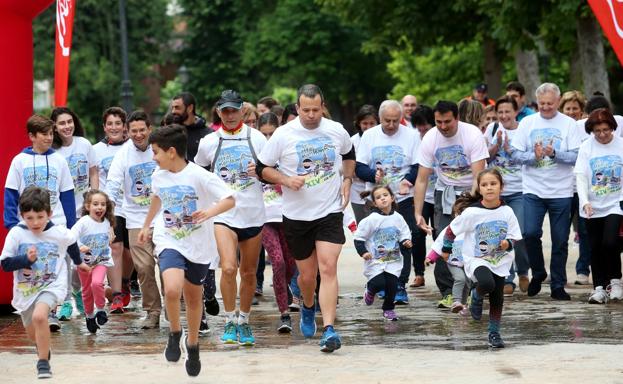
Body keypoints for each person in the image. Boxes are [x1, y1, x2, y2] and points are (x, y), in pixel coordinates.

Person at [256, 84, 355, 353]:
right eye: (306, 110)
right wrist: (286, 179)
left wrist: (347, 179)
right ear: (297, 108)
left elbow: (349, 154)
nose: (311, 115)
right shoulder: (283, 135)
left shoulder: (336, 130)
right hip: (297, 216)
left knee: (328, 268)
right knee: (307, 276)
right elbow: (261, 168)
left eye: (316, 109)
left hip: (330, 212)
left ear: (323, 106)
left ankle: (330, 329)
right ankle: (308, 306)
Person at [139, 124, 235, 376]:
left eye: (156, 151)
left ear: (171, 152)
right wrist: (147, 224)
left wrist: (208, 212)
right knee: (171, 288)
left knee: (194, 298)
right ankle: (174, 331)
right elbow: (158, 197)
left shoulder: (199, 175)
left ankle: (192, 344)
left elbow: (229, 198)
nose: (153, 157)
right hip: (169, 237)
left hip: (198, 244)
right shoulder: (158, 175)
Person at [194, 90, 267, 346]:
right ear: (218, 112)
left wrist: (260, 173)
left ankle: (244, 321)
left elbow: (271, 171)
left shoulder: (257, 139)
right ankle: (228, 319)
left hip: (253, 213)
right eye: (225, 111)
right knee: (228, 267)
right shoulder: (209, 142)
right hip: (223, 214)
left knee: (248, 273)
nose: (230, 115)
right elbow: (198, 176)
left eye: (234, 110)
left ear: (242, 111)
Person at [0, 187, 90, 379]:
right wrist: (26, 260)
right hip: (26, 290)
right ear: (22, 215)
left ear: (49, 214)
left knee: (41, 317)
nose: (35, 223)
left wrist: (79, 262)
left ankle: (43, 363)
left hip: (52, 284)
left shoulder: (58, 232)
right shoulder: (17, 233)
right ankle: (42, 348)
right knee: (33, 332)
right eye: (29, 218)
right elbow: (5, 264)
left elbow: (71, 241)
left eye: (40, 217)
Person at [4, 114, 76, 332]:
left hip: (55, 223)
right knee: (36, 268)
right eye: (44, 134)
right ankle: (34, 307)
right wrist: (11, 223)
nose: (49, 138)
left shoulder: (59, 160)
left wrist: (71, 225)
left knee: (56, 266)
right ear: (32, 136)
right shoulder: (19, 161)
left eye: (50, 134)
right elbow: (10, 193)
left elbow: (67, 193)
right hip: (29, 225)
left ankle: (52, 311)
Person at [413, 100, 488, 308]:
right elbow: (422, 178)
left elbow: (478, 175)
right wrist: (418, 212)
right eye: (439, 122)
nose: (443, 127)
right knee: (444, 239)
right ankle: (448, 292)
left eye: (448, 122)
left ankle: (475, 288)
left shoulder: (472, 134)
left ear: (457, 118)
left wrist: (468, 204)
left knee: (471, 238)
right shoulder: (430, 138)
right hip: (444, 192)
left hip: (472, 192)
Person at [511, 82, 581, 300]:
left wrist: (554, 154)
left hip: (561, 191)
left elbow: (577, 156)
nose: (546, 108)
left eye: (550, 104)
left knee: (560, 240)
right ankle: (538, 272)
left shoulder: (569, 124)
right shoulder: (527, 123)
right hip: (533, 189)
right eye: (542, 104)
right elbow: (515, 155)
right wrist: (535, 156)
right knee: (529, 233)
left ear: (558, 102)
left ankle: (558, 284)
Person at [440, 169, 522, 348]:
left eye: (493, 184)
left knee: (497, 297)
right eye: (484, 185)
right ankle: (475, 295)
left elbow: (515, 236)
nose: (489, 188)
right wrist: (446, 249)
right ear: (479, 188)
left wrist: (508, 243)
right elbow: (450, 230)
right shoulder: (472, 212)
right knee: (487, 283)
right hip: (477, 259)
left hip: (500, 260)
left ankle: (494, 333)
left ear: (501, 186)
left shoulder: (507, 211)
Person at [355, 100, 419, 304]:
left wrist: (408, 181)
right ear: (380, 119)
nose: (391, 125)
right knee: (378, 241)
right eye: (386, 121)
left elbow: (419, 165)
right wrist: (373, 175)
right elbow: (359, 167)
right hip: (376, 199)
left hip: (403, 198)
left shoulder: (411, 135)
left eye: (395, 121)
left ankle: (400, 284)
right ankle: (379, 282)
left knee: (404, 240)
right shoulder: (370, 135)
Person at [105, 110, 162, 328]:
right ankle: (152, 311)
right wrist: (108, 219)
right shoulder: (124, 154)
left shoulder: (160, 146)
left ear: (150, 129)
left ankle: (174, 310)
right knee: (145, 268)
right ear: (128, 132)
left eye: (142, 130)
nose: (138, 134)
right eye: (134, 131)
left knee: (167, 268)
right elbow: (112, 184)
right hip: (136, 219)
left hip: (163, 217)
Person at [50, 107, 98, 321]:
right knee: (68, 259)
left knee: (82, 256)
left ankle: (79, 293)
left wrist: (94, 199)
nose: (67, 126)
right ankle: (67, 301)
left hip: (84, 210)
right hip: (63, 212)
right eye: (62, 123)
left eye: (70, 121)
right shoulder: (53, 152)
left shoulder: (84, 144)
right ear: (54, 127)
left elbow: (94, 171)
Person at [574, 109, 623, 303]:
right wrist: (585, 201)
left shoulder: (620, 145)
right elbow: (581, 176)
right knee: (594, 247)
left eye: (605, 130)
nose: (602, 134)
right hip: (592, 205)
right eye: (597, 131)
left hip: (615, 203)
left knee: (610, 242)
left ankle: (616, 281)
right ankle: (599, 288)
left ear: (612, 127)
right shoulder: (587, 147)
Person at [484, 96, 529, 296]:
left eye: (507, 112)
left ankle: (523, 271)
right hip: (498, 192)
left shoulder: (524, 129)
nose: (503, 116)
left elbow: (530, 158)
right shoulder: (492, 129)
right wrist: (497, 145)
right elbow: (485, 157)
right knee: (501, 236)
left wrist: (510, 149)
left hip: (520, 190)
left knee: (520, 234)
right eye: (500, 112)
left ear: (515, 111)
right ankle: (507, 277)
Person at [257, 112, 298, 332]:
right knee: (278, 262)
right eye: (264, 134)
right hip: (265, 219)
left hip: (289, 216)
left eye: (272, 133)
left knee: (290, 265)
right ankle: (284, 314)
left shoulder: (287, 155)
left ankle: (286, 289)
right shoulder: (255, 159)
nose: (268, 138)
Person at [93, 107, 131, 313]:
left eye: (118, 123)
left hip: (133, 206)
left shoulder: (132, 147)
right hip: (111, 206)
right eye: (110, 124)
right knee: (115, 248)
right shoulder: (96, 150)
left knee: (130, 252)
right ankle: (116, 294)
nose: (114, 127)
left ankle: (125, 281)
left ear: (124, 126)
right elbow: (95, 179)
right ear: (104, 127)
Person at [354, 185, 412, 321]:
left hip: (393, 260)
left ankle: (388, 309)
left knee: (392, 285)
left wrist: (406, 241)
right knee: (379, 284)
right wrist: (363, 252)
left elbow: (404, 233)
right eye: (378, 197)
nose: (383, 199)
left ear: (392, 198)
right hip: (375, 260)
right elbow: (359, 238)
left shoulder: (398, 218)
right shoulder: (371, 220)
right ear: (375, 203)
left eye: (385, 195)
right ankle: (370, 289)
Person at [71, 189, 115, 333]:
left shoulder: (107, 222)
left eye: (103, 204)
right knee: (87, 291)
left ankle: (101, 310)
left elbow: (108, 239)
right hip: (84, 263)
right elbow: (71, 237)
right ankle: (89, 317)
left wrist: (110, 239)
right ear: (87, 206)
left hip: (101, 260)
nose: (99, 207)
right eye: (95, 204)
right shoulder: (83, 222)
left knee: (97, 283)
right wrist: (80, 246)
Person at [409, 105, 436, 288]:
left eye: (425, 126)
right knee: (417, 233)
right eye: (419, 127)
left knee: (440, 233)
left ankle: (444, 269)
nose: (422, 130)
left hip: (440, 193)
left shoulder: (438, 136)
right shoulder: (414, 140)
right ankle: (419, 273)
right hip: (422, 194)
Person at [350, 105, 379, 223]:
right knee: (363, 225)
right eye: (364, 123)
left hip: (379, 191)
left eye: (372, 123)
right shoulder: (352, 141)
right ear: (358, 124)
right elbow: (348, 166)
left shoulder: (382, 139)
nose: (368, 127)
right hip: (358, 192)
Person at [171, 92, 213, 162]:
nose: (173, 111)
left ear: (190, 108)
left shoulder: (209, 135)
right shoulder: (170, 132)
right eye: (172, 108)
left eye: (177, 107)